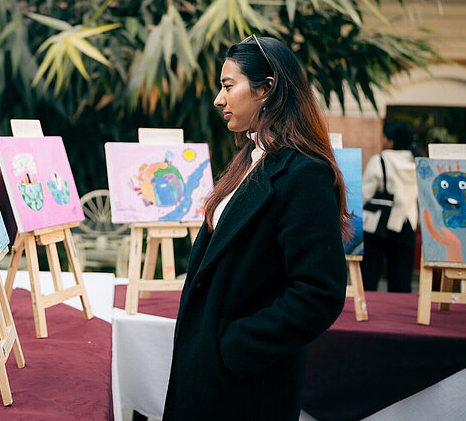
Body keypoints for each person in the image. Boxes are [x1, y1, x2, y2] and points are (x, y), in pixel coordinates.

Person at [162, 36, 349, 421]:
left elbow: (319, 293)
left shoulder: (304, 173)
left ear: (266, 89)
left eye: (229, 86)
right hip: (211, 374)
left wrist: (232, 346)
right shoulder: (251, 158)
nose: (218, 98)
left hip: (246, 387)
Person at [361, 121, 418, 292]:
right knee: (401, 281)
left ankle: (365, 310)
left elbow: (364, 194)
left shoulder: (379, 160)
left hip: (379, 224)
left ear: (391, 140)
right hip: (407, 223)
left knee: (369, 276)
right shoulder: (417, 162)